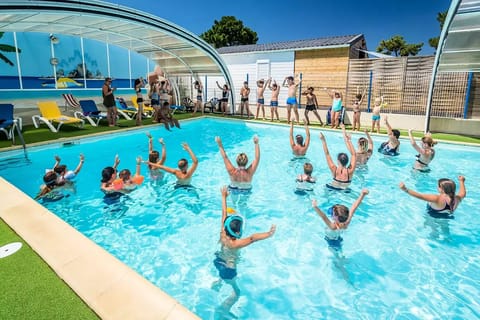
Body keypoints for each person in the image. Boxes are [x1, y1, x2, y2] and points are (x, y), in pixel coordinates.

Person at [212, 186, 276, 312]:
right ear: (238, 232)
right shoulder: (236, 244)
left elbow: (224, 213)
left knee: (223, 272)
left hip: (218, 261)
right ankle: (223, 309)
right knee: (237, 292)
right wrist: (268, 234)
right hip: (229, 270)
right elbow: (252, 238)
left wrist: (223, 197)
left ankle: (218, 283)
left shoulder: (222, 233)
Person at [399, 176, 466, 219]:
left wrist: (405, 189)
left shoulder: (437, 198)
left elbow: (419, 196)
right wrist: (461, 181)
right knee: (445, 229)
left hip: (433, 216)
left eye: (438, 186)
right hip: (446, 217)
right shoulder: (457, 198)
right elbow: (463, 193)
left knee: (433, 231)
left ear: (441, 189)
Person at [319, 124, 357, 191]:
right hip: (345, 191)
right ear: (347, 161)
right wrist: (349, 140)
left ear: (338, 161)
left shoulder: (334, 169)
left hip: (332, 188)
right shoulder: (350, 171)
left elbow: (327, 154)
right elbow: (354, 155)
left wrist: (323, 140)